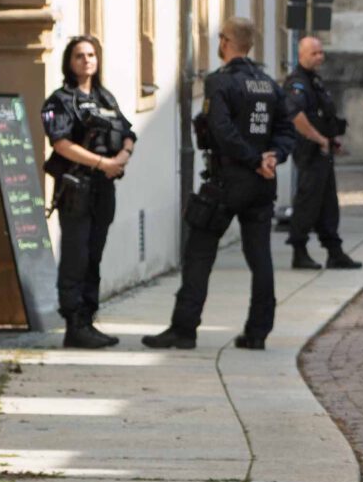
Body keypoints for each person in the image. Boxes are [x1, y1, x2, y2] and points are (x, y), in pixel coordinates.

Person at [146, 18, 294, 350]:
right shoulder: (269, 84)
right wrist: (273, 157)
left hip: (228, 180)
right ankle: (258, 332)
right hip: (262, 183)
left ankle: (184, 329)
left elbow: (221, 130)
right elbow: (286, 129)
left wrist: (254, 160)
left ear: (226, 42)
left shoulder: (220, 82)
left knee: (199, 253)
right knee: (260, 258)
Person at [42, 35, 136, 348]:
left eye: (91, 55)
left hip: (103, 187)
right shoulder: (60, 100)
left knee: (94, 255)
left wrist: (120, 158)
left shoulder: (105, 98)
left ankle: (88, 319)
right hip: (76, 187)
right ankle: (74, 324)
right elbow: (60, 143)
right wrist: (101, 163)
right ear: (69, 62)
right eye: (80, 56)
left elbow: (128, 132)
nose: (86, 60)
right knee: (76, 256)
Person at [283, 35, 361, 271]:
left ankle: (334, 252)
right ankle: (299, 251)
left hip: (323, 151)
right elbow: (296, 116)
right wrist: (319, 139)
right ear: (301, 55)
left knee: (328, 204)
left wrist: (331, 139)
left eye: (321, 52)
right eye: (314, 53)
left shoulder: (314, 81)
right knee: (307, 202)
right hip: (309, 151)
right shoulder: (297, 83)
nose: (319, 57)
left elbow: (322, 115)